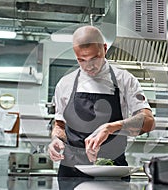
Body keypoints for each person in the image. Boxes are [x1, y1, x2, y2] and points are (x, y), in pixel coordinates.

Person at [48, 25, 155, 179]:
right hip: (72, 173)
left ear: (105, 48)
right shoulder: (65, 83)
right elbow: (59, 125)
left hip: (112, 170)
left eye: (94, 58)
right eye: (81, 60)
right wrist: (56, 139)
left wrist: (112, 127)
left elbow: (148, 121)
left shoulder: (125, 80)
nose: (88, 66)